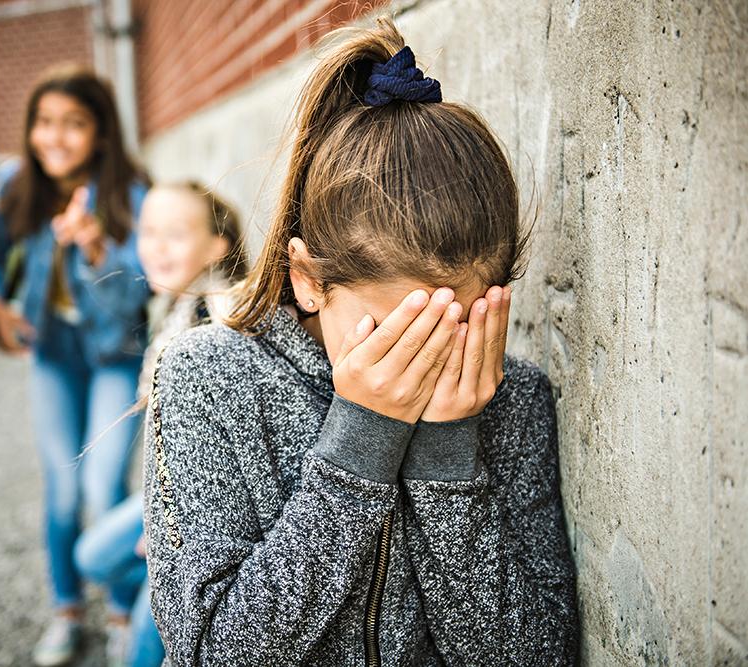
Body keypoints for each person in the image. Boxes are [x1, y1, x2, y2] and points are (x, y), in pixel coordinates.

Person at [143, 19, 579, 666]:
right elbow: (212, 652)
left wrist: (448, 452)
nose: (425, 360)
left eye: (452, 327)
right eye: (396, 331)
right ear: (309, 280)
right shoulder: (208, 377)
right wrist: (362, 440)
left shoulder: (510, 400)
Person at [0, 63, 150, 666]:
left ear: (101, 133)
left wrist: (95, 246)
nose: (55, 136)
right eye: (45, 122)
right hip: (53, 355)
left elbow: (134, 298)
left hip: (113, 356)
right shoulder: (14, 182)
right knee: (63, 491)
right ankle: (67, 609)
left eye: (74, 124)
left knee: (104, 486)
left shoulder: (131, 192)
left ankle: (126, 608)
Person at [74, 182, 248, 667]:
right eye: (148, 232)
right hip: (168, 495)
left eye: (175, 233)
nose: (158, 246)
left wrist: (166, 525)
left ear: (217, 247)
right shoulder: (175, 306)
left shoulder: (221, 318)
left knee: (146, 647)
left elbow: (227, 446)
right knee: (92, 557)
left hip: (203, 510)